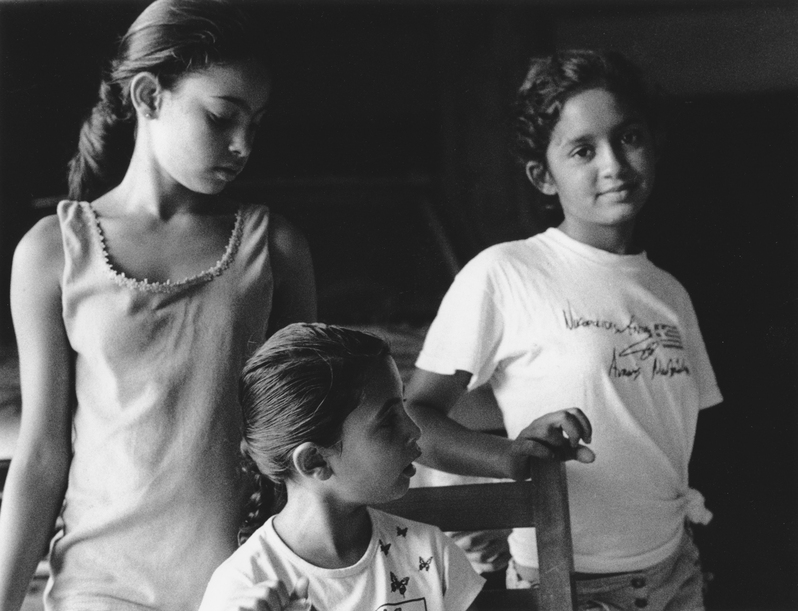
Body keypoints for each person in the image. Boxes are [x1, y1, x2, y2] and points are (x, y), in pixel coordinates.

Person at [0, 1, 316, 610]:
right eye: (221, 117)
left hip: (247, 584)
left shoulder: (276, 246)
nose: (242, 144)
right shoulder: (51, 252)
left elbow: (306, 436)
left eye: (255, 122)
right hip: (100, 586)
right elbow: (40, 455)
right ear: (149, 96)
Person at [406, 49, 723, 611]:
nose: (614, 164)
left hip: (676, 571)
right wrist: (508, 456)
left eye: (628, 137)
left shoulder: (669, 291)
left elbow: (661, 446)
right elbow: (414, 418)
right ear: (543, 176)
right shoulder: (505, 273)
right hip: (569, 583)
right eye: (582, 150)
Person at [198, 323, 591, 610]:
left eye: (404, 407)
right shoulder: (245, 589)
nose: (414, 430)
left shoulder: (430, 554)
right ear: (315, 461)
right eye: (388, 420)